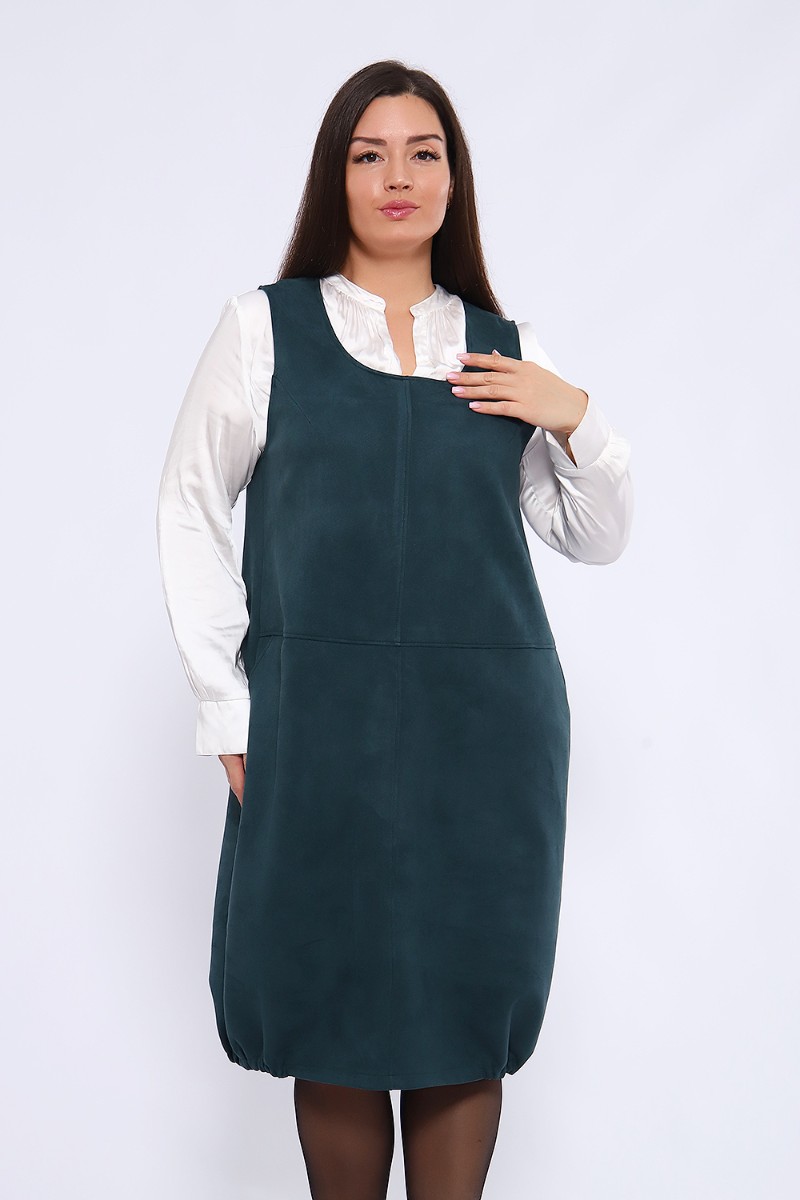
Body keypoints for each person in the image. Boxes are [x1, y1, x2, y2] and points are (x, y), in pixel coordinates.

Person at [156, 59, 633, 1200]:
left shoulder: (503, 349)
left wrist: (576, 417)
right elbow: (188, 506)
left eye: (424, 152)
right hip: (314, 726)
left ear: (454, 179)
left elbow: (596, 534)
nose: (397, 176)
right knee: (330, 1001)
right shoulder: (264, 330)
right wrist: (227, 706)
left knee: (465, 1007)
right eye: (369, 154)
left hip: (487, 737)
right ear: (337, 176)